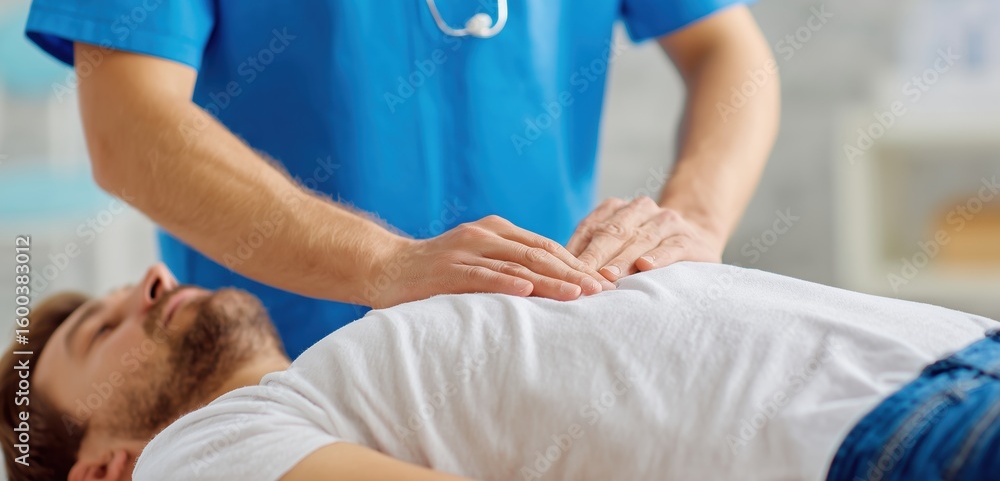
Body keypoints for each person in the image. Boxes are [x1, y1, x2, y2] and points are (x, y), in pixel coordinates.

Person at [25, 0, 780, 356]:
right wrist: (388, 266)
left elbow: (729, 51)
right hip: (282, 376)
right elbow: (129, 128)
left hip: (548, 350)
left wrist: (694, 222)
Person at [2, 262, 997, 481]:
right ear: (105, 466)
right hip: (894, 435)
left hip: (943, 363)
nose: (149, 278)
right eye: (99, 330)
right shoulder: (195, 454)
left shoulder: (335, 384)